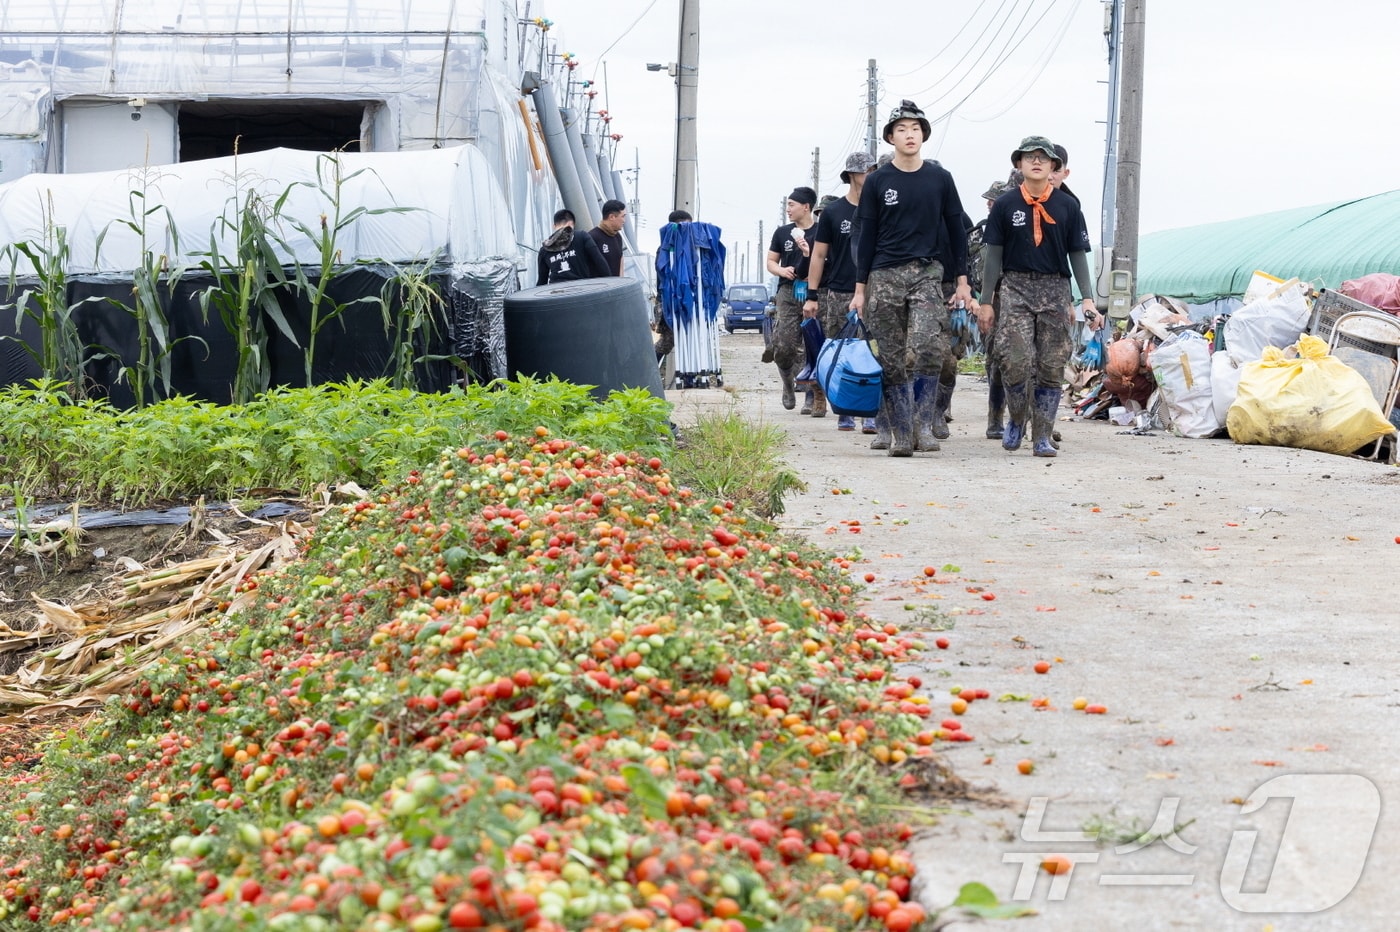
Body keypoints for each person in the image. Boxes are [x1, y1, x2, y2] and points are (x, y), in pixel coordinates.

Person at [851, 100, 972, 456]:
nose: (909, 135)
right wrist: (861, 289)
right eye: (902, 129)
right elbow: (867, 236)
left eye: (915, 129)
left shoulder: (940, 179)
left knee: (928, 348)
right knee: (890, 356)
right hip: (884, 274)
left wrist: (963, 282)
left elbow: (957, 231)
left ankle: (923, 424)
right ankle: (901, 433)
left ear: (924, 135)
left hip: (927, 272)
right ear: (891, 137)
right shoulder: (878, 181)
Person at [976, 136, 1096, 458]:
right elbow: (993, 257)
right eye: (1030, 157)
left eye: (1045, 158)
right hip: (1015, 287)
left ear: (1054, 166)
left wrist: (1087, 298)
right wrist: (986, 301)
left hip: (1055, 289)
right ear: (1019, 164)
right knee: (1014, 359)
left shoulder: (1068, 207)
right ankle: (1015, 419)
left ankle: (1042, 434)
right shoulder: (1005, 205)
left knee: (1051, 363)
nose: (1037, 162)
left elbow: (1078, 255)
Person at [806, 151, 878, 432]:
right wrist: (812, 295)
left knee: (873, 351)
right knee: (842, 351)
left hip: (876, 290)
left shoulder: (880, 208)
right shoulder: (834, 212)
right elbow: (818, 255)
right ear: (851, 175)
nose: (869, 176)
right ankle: (844, 409)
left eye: (873, 171)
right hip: (839, 291)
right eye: (864, 172)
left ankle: (871, 412)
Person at [766, 187, 819, 412]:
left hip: (814, 290)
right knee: (785, 346)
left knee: (813, 345)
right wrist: (781, 271)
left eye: (792, 205)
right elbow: (770, 262)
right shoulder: (782, 233)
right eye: (788, 205)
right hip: (787, 293)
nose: (788, 209)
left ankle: (811, 394)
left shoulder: (821, 231)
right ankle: (788, 383)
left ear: (806, 207)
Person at [652, 209, 692, 362]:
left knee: (686, 338)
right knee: (668, 341)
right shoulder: (665, 250)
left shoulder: (687, 250)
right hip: (667, 302)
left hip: (683, 300)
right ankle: (649, 368)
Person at [536, 208, 609, 286]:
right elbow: (600, 263)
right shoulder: (582, 236)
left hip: (556, 292)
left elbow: (542, 281)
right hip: (581, 289)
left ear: (554, 226)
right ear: (573, 224)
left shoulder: (544, 248)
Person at [590, 199, 628, 276]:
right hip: (600, 286)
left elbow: (620, 263)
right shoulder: (592, 237)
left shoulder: (617, 237)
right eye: (622, 216)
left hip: (616, 286)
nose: (624, 221)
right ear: (611, 217)